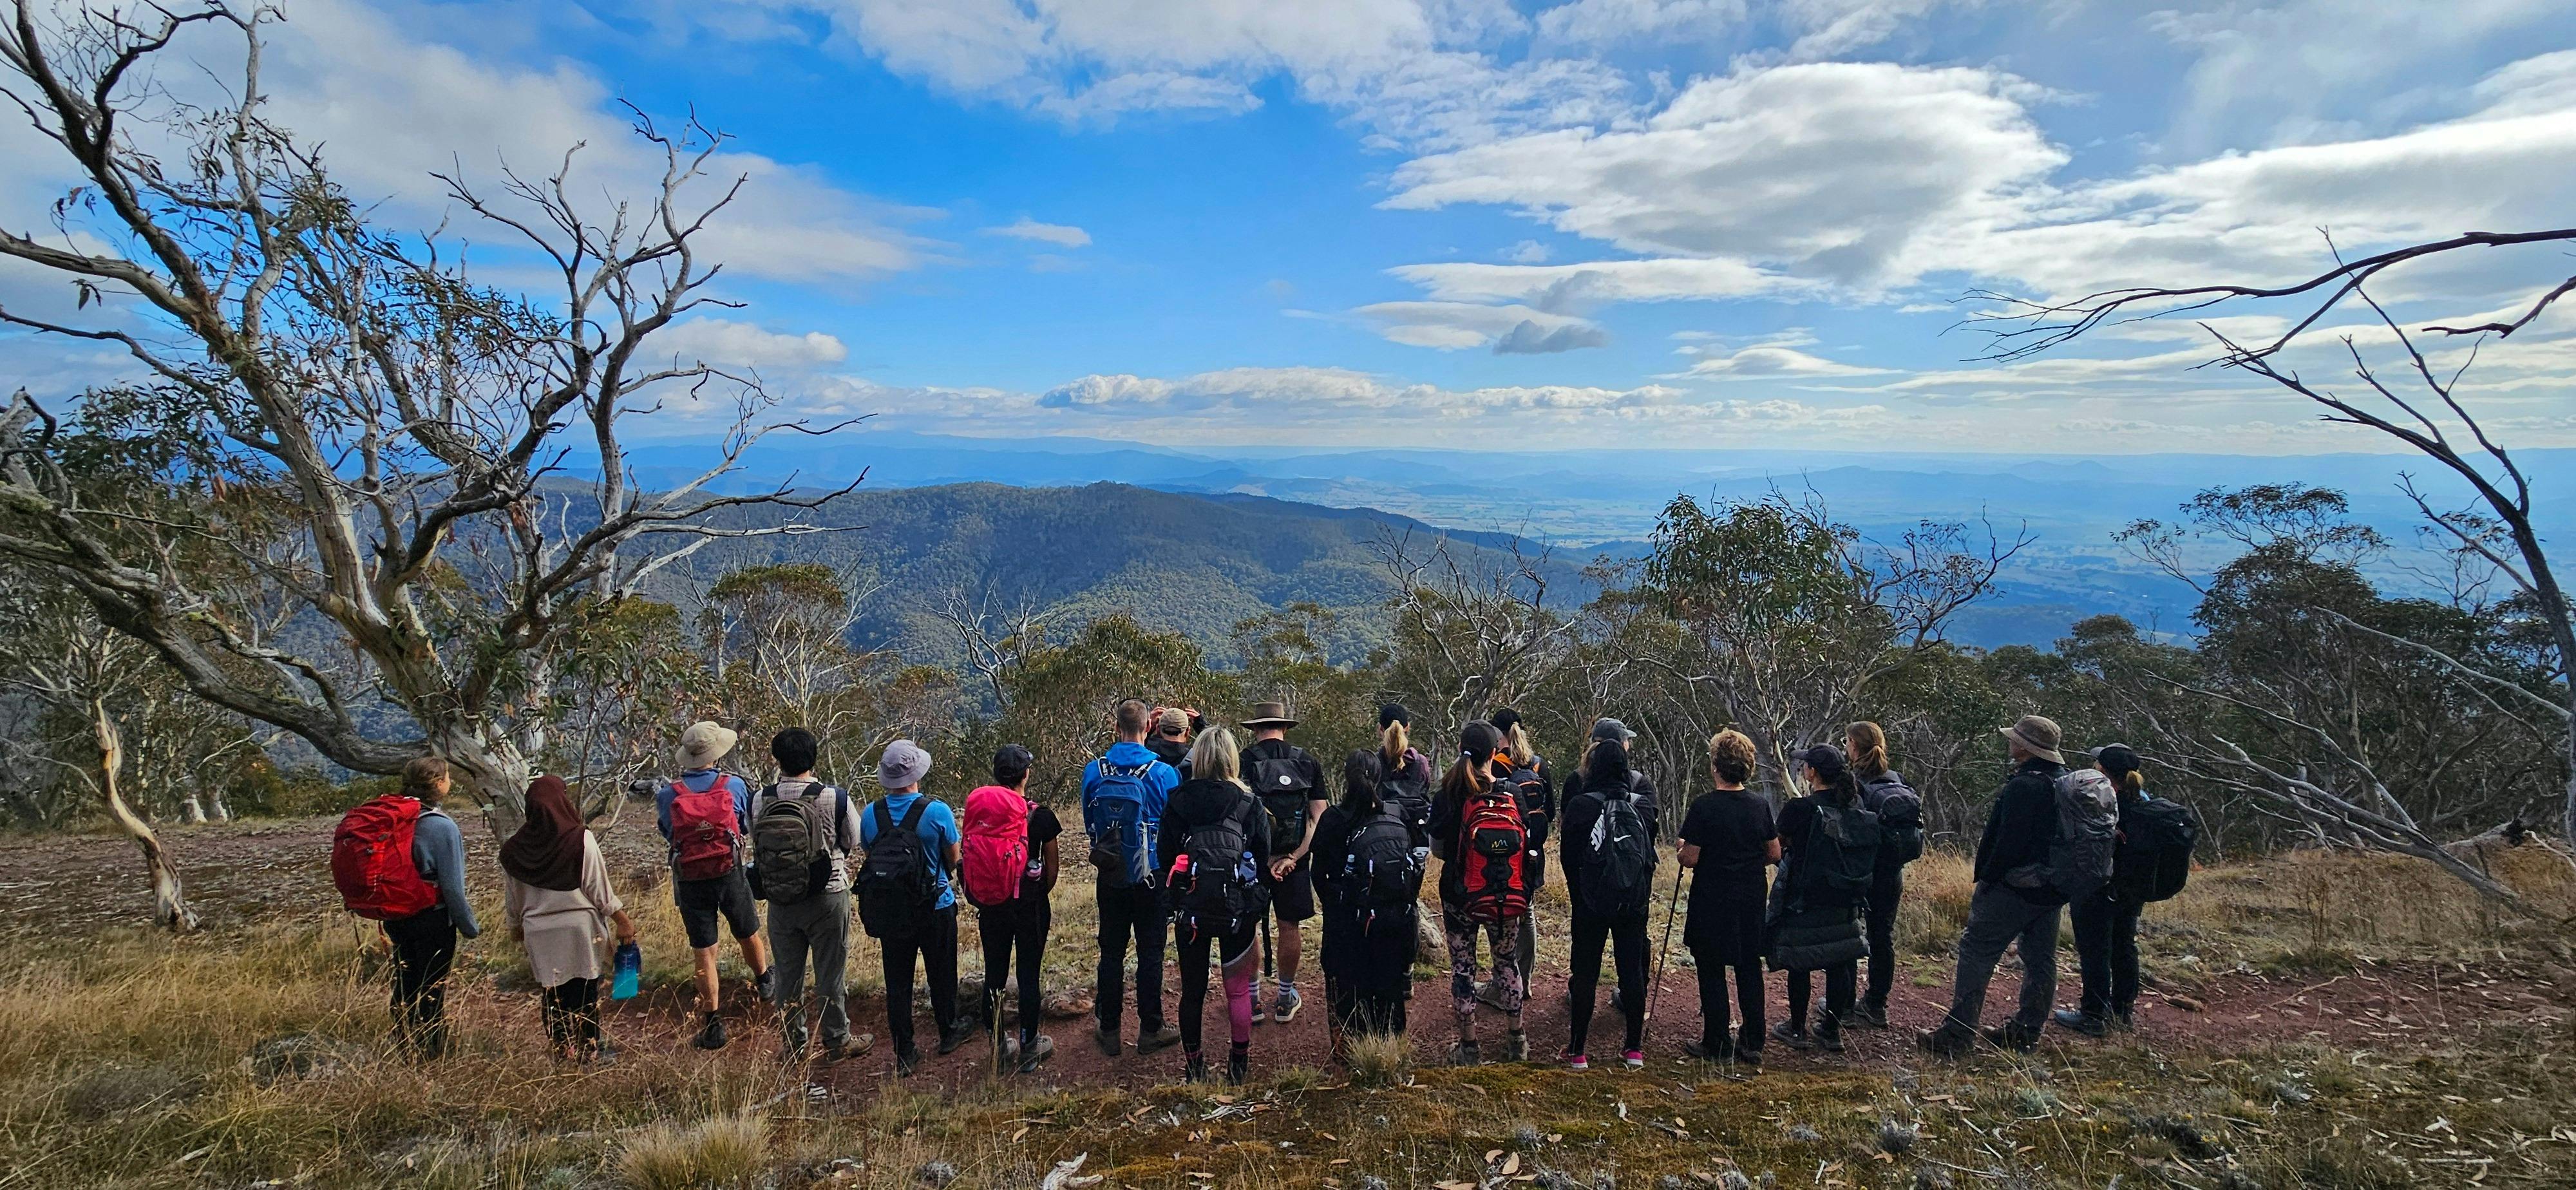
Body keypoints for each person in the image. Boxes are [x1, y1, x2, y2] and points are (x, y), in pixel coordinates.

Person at [1921, 715, 2070, 1057]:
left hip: (2013, 888)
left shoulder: (2024, 786)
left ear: (2026, 747)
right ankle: (2027, 1031)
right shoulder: (2062, 782)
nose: (2010, 742)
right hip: (2049, 888)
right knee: (2041, 958)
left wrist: (1989, 878)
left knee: (1977, 952)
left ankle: (1957, 1035)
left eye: (2015, 738)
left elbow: (2008, 842)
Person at [750, 728, 871, 1064]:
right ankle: (837, 1041)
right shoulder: (834, 797)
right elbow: (853, 839)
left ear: (778, 761)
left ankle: (793, 1047)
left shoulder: (761, 798)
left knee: (788, 975)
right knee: (830, 972)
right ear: (813, 758)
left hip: (780, 899)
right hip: (828, 895)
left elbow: (756, 841)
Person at [1158, 727, 1272, 1084]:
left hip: (1190, 910)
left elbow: (1164, 859)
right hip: (1237, 910)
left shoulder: (1178, 800)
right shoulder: (1249, 804)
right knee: (1237, 989)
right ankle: (1238, 1067)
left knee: (1193, 991)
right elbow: (1263, 859)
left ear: (1200, 757)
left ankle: (1195, 1068)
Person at [500, 774, 637, 1063]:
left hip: (539, 931)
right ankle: (590, 1050)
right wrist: (622, 919)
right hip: (580, 928)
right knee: (586, 990)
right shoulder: (580, 839)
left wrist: (516, 928)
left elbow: (512, 898)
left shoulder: (512, 850)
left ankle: (563, 1050)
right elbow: (598, 889)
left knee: (553, 993)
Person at [656, 721, 773, 1051]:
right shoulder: (734, 785)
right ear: (715, 753)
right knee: (747, 930)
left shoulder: (669, 794)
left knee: (704, 949)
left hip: (691, 879)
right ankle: (765, 981)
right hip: (728, 872)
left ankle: (713, 1024)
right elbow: (745, 826)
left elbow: (668, 832)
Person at [1081, 699, 1185, 1058]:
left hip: (1110, 873)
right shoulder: (1163, 774)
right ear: (1149, 729)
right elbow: (1175, 826)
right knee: (1150, 952)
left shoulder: (1094, 771)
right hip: (1152, 876)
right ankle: (1150, 1028)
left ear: (1116, 728)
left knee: (1110, 952)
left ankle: (1108, 1028)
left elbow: (1089, 824)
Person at [858, 739, 967, 1075]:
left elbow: (871, 857)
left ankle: (905, 1049)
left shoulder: (871, 814)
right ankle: (948, 1031)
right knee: (942, 972)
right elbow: (954, 858)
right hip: (935, 905)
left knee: (898, 980)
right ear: (916, 774)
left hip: (892, 908)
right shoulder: (936, 811)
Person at [1428, 721, 1530, 1066]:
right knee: (1506, 962)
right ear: (1495, 753)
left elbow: (1439, 850)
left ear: (1461, 750)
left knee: (1462, 969)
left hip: (1460, 896)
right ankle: (1517, 1040)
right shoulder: (1511, 793)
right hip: (1505, 896)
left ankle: (1469, 1047)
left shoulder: (1447, 795)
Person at [1312, 748, 1423, 1055]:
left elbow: (1318, 874)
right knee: (1390, 994)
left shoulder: (1333, 819)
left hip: (1345, 929)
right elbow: (1414, 868)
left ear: (1347, 778)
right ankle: (1390, 1055)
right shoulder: (1396, 814)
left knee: (1346, 994)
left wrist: (1338, 905)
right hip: (1392, 923)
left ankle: (1350, 1059)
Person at [1677, 730, 1777, 1068]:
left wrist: (1682, 849)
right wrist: (1747, 862)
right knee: (1749, 966)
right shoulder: (1759, 806)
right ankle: (1753, 1042)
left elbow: (1690, 857)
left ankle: (1717, 1040)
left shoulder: (1705, 807)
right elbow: (1774, 852)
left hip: (1713, 895)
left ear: (1715, 766)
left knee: (1711, 965)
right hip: (1750, 894)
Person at [1559, 735, 1659, 1070]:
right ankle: (1633, 1049)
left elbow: (1568, 859)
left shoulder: (1581, 805)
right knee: (1631, 970)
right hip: (1633, 901)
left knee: (1585, 972)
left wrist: (1582, 893)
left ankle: (1577, 1051)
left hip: (1590, 901)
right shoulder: (1642, 805)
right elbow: (1648, 856)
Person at [1768, 744, 1875, 1055]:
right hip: (1846, 901)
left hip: (1805, 899)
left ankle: (1797, 1027)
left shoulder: (1799, 809)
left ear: (1812, 772)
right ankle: (1831, 1031)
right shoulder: (1857, 810)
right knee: (1840, 963)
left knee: (1800, 963)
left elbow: (1778, 847)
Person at [966, 744, 1062, 1073]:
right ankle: (1029, 1044)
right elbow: (1051, 869)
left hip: (992, 906)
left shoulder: (981, 812)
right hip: (1030, 907)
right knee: (1028, 976)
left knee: (994, 974)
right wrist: (1036, 892)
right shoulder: (1041, 816)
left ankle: (998, 1045)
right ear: (1026, 775)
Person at [1239, 701, 1325, 1025]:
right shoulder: (1307, 761)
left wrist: (1263, 859)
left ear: (1256, 729)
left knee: (1249, 927)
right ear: (1285, 728)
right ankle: (1287, 996)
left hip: (1253, 862)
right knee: (1289, 926)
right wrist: (1294, 857)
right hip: (1296, 861)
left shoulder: (1244, 761)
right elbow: (1319, 816)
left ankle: (1253, 1001)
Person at [2056, 744, 2150, 1037]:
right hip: (2131, 888)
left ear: (2102, 769)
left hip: (2098, 886)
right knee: (2124, 946)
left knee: (2095, 950)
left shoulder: (2098, 799)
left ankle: (2093, 1014)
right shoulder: (2143, 801)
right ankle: (2123, 1012)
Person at [388, 757, 478, 1059]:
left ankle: (404, 1046)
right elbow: (452, 887)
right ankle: (431, 1052)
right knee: (431, 988)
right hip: (433, 919)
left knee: (405, 981)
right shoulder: (442, 827)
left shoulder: (393, 818)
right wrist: (468, 927)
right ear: (439, 783)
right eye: (448, 777)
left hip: (397, 915)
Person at [1847, 721, 1920, 1028]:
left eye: (1847, 741)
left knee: (1846, 934)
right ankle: (1876, 1004)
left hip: (1863, 872)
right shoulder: (1896, 779)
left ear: (1854, 745)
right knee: (1882, 937)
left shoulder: (1854, 783)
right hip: (1892, 872)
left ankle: (1843, 1004)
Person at [1484, 709, 1555, 1001]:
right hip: (1533, 853)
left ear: (1498, 735)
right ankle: (1522, 982)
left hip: (1504, 854)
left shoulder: (1497, 767)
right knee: (1526, 913)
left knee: (1499, 916)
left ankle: (1503, 985)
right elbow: (1550, 812)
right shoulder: (1539, 765)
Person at [1146, 705, 1201, 779]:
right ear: (1187, 731)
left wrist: (1147, 730)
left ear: (1158, 729)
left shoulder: (1146, 752)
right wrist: (1202, 726)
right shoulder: (1197, 760)